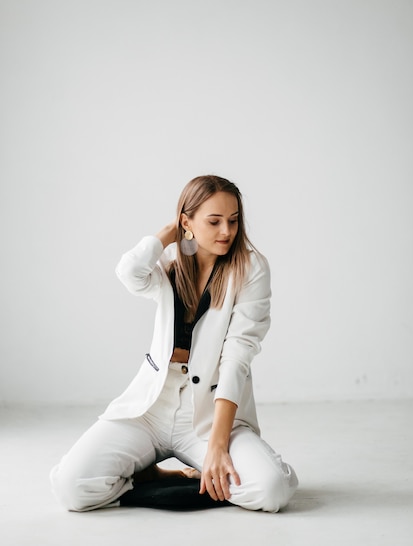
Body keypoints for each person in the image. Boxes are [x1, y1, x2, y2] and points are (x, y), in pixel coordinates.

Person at [50, 175, 298, 513]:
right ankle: (159, 479)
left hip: (209, 415)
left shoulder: (251, 269)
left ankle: (178, 482)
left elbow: (237, 356)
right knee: (71, 488)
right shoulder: (169, 262)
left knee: (271, 490)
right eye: (214, 221)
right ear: (187, 221)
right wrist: (170, 232)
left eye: (234, 220)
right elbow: (130, 272)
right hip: (150, 409)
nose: (227, 231)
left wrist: (218, 444)